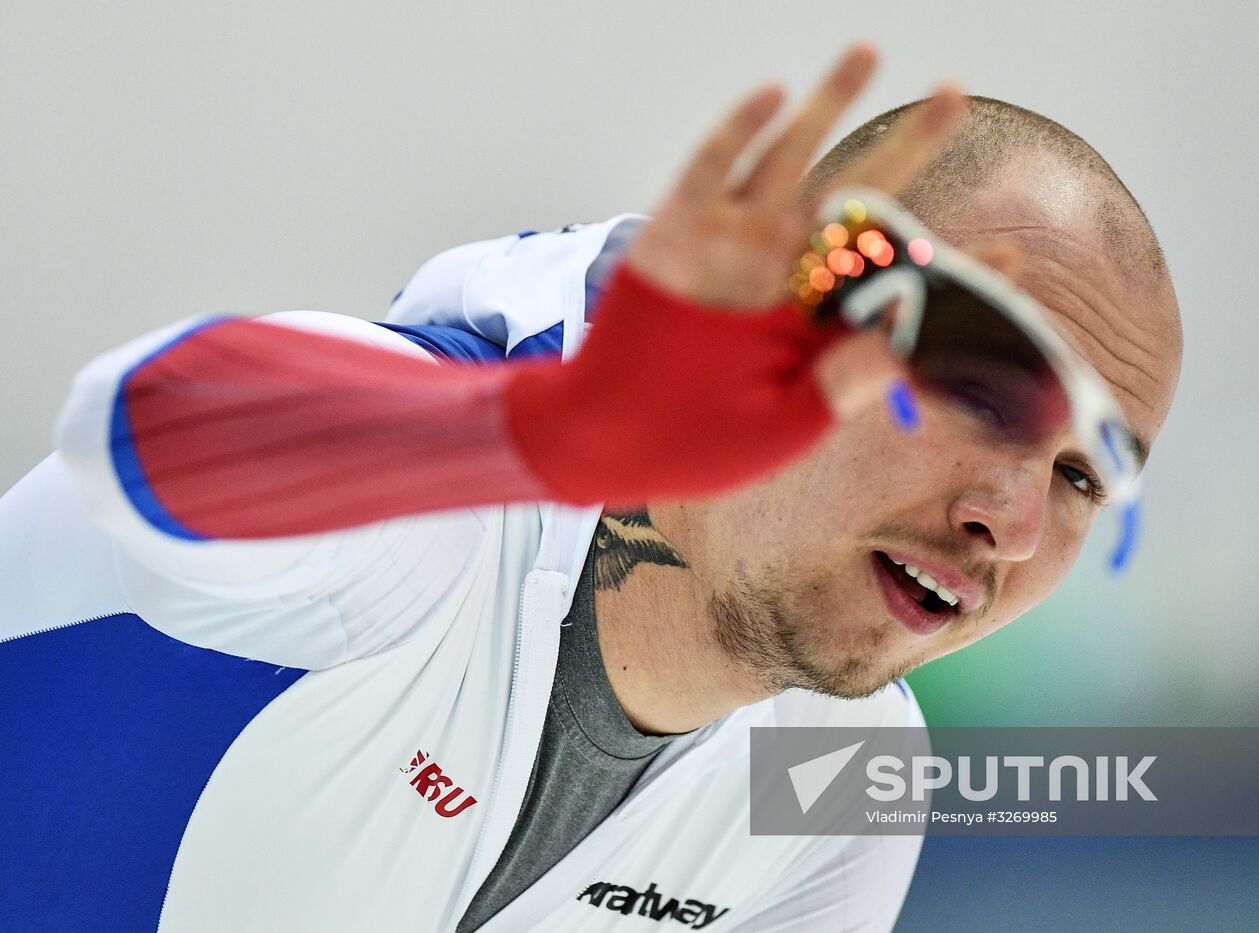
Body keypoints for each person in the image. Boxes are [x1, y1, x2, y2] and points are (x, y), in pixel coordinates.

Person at [0, 44, 1182, 932]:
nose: (1010, 524)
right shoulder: (430, 506)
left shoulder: (838, 784)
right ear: (801, 313)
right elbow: (132, 432)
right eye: (982, 396)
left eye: (1081, 476)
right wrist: (545, 437)